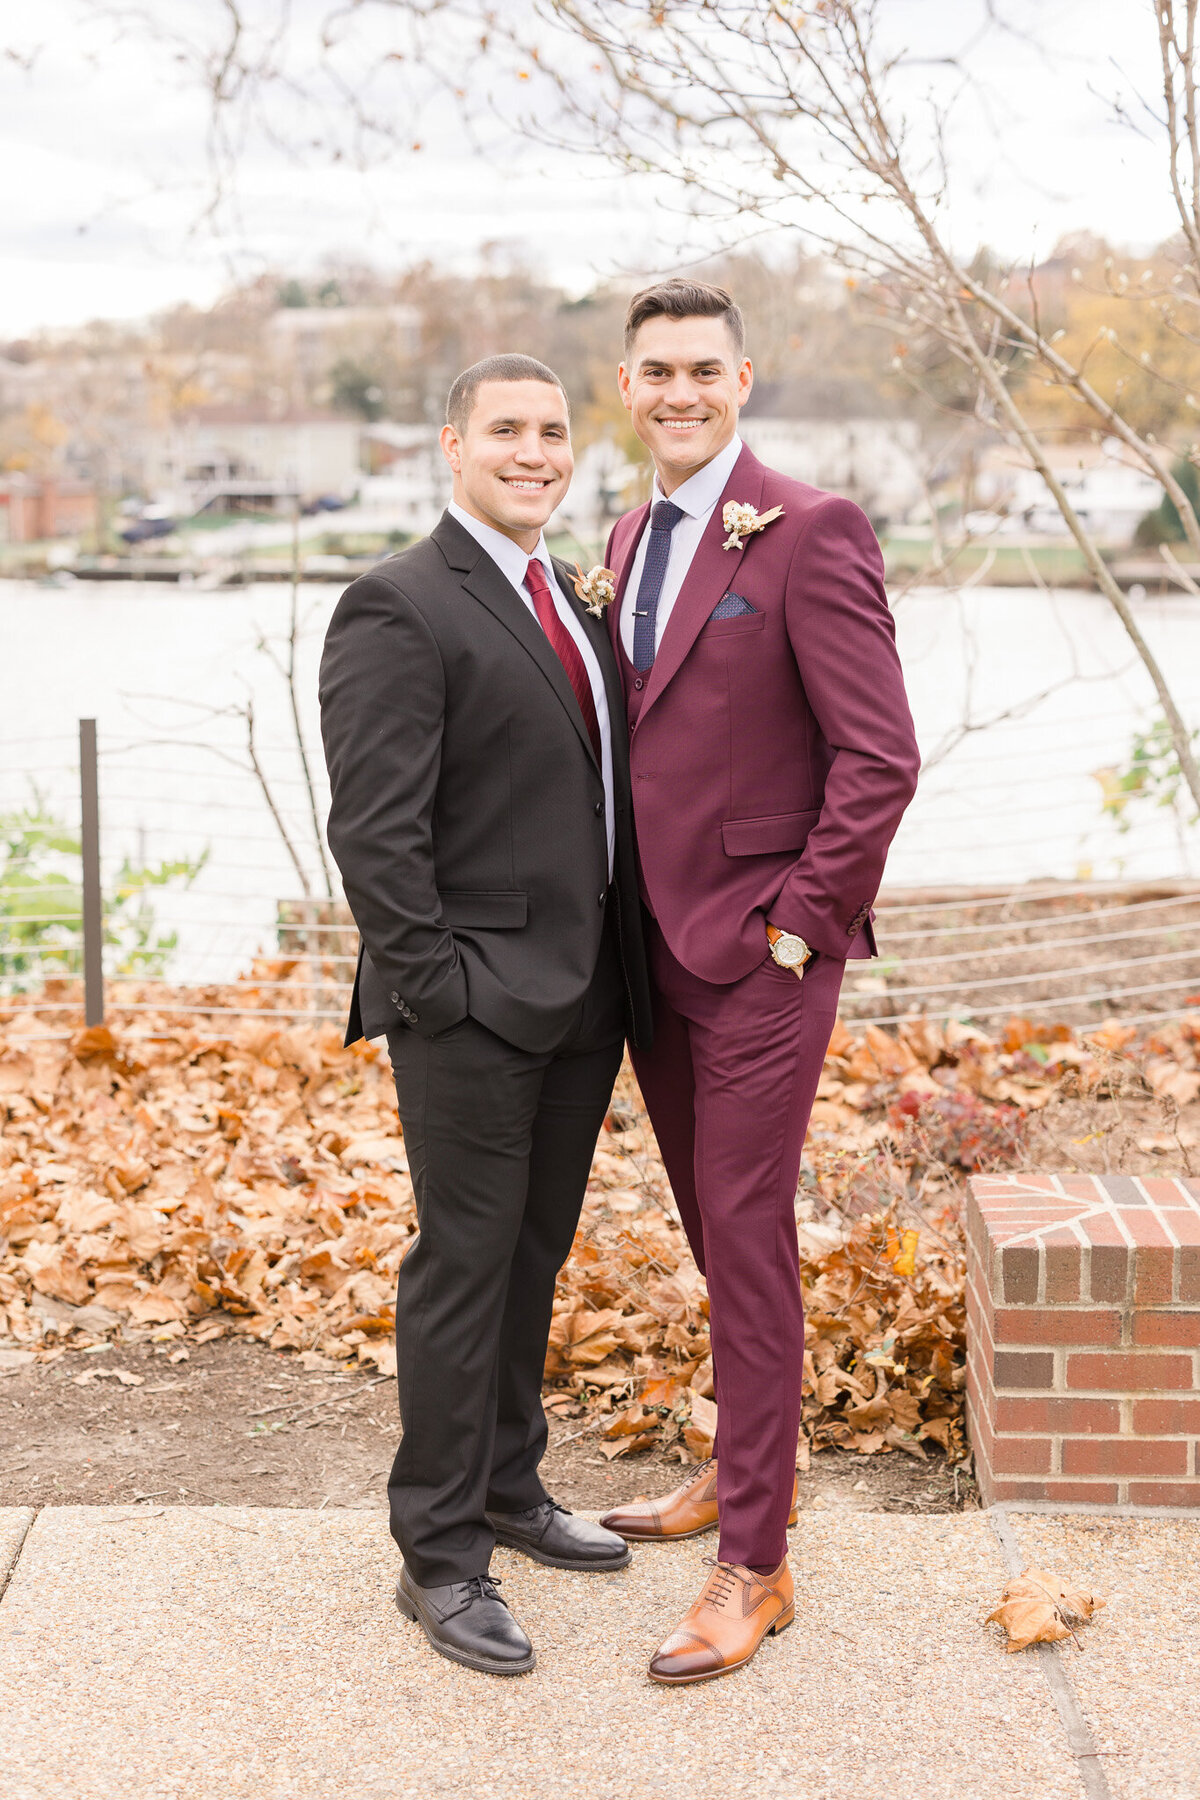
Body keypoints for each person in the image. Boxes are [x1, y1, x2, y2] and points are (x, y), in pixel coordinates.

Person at [597, 279, 921, 1685]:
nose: (679, 391)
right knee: (713, 1228)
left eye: (702, 370)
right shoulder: (626, 535)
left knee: (746, 1231)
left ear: (746, 378)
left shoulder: (810, 528)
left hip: (762, 961)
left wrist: (799, 924)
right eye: (655, 370)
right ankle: (737, 1478)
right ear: (626, 387)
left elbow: (880, 757)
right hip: (650, 958)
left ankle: (757, 1561)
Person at [319, 353, 652, 1677]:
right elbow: (376, 833)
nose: (534, 449)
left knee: (531, 1262)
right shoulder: (399, 604)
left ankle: (511, 1487)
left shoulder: (573, 594)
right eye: (505, 429)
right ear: (450, 444)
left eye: (553, 430)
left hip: (585, 996)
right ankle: (440, 1552)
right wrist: (438, 989)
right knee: (461, 1271)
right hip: (467, 1006)